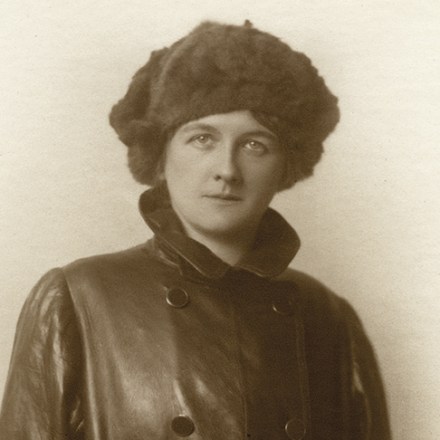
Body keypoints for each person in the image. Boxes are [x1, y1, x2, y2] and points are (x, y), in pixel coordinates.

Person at [0, 20, 391, 439]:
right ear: (161, 157)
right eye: (202, 139)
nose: (227, 170)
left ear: (285, 166)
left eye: (255, 144)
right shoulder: (79, 298)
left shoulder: (328, 316)